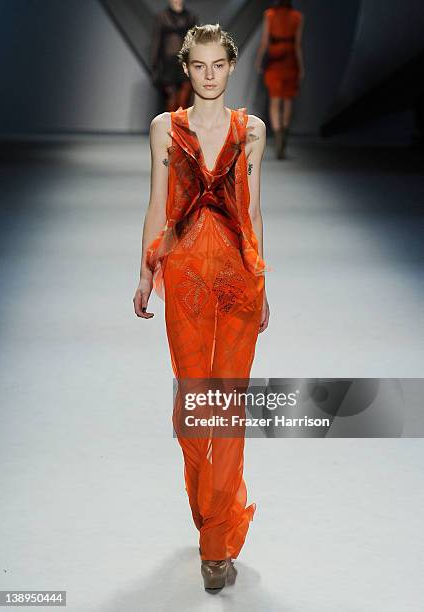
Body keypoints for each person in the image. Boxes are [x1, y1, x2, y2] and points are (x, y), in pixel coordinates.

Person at [133, 23, 271, 592]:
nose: (209, 76)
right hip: (185, 276)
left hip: (239, 278)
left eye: (219, 66)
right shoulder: (165, 129)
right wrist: (145, 274)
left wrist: (265, 280)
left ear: (231, 67)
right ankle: (209, 519)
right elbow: (155, 205)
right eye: (200, 66)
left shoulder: (252, 131)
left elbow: (253, 211)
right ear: (185, 70)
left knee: (227, 406)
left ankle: (215, 547)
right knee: (195, 405)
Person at [255, 0, 305, 159]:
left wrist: (258, 60)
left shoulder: (269, 15)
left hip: (275, 59)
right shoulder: (297, 17)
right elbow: (297, 44)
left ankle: (278, 140)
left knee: (275, 101)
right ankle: (283, 137)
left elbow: (264, 41)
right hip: (290, 59)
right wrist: (301, 66)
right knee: (288, 100)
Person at [150, 0, 198, 112]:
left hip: (184, 64)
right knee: (170, 101)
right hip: (168, 66)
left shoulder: (191, 17)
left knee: (184, 101)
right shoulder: (161, 17)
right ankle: (170, 128)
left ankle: (182, 128)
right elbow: (156, 43)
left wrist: (196, 65)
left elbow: (195, 44)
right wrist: (154, 67)